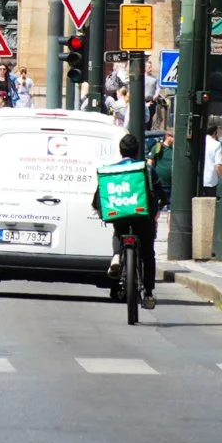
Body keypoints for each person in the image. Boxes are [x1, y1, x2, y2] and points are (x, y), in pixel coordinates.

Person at [93, 129, 160, 309]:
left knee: (118, 233)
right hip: (143, 219)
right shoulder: (146, 169)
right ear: (137, 151)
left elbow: (98, 196)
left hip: (121, 218)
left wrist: (97, 209)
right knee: (148, 254)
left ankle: (117, 255)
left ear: (121, 151)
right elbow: (159, 194)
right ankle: (148, 292)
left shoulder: (112, 171)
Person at [202, 116, 222, 193]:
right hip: (211, 180)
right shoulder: (216, 144)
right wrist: (221, 179)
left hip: (200, 179)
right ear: (215, 132)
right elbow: (218, 165)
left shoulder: (200, 142)